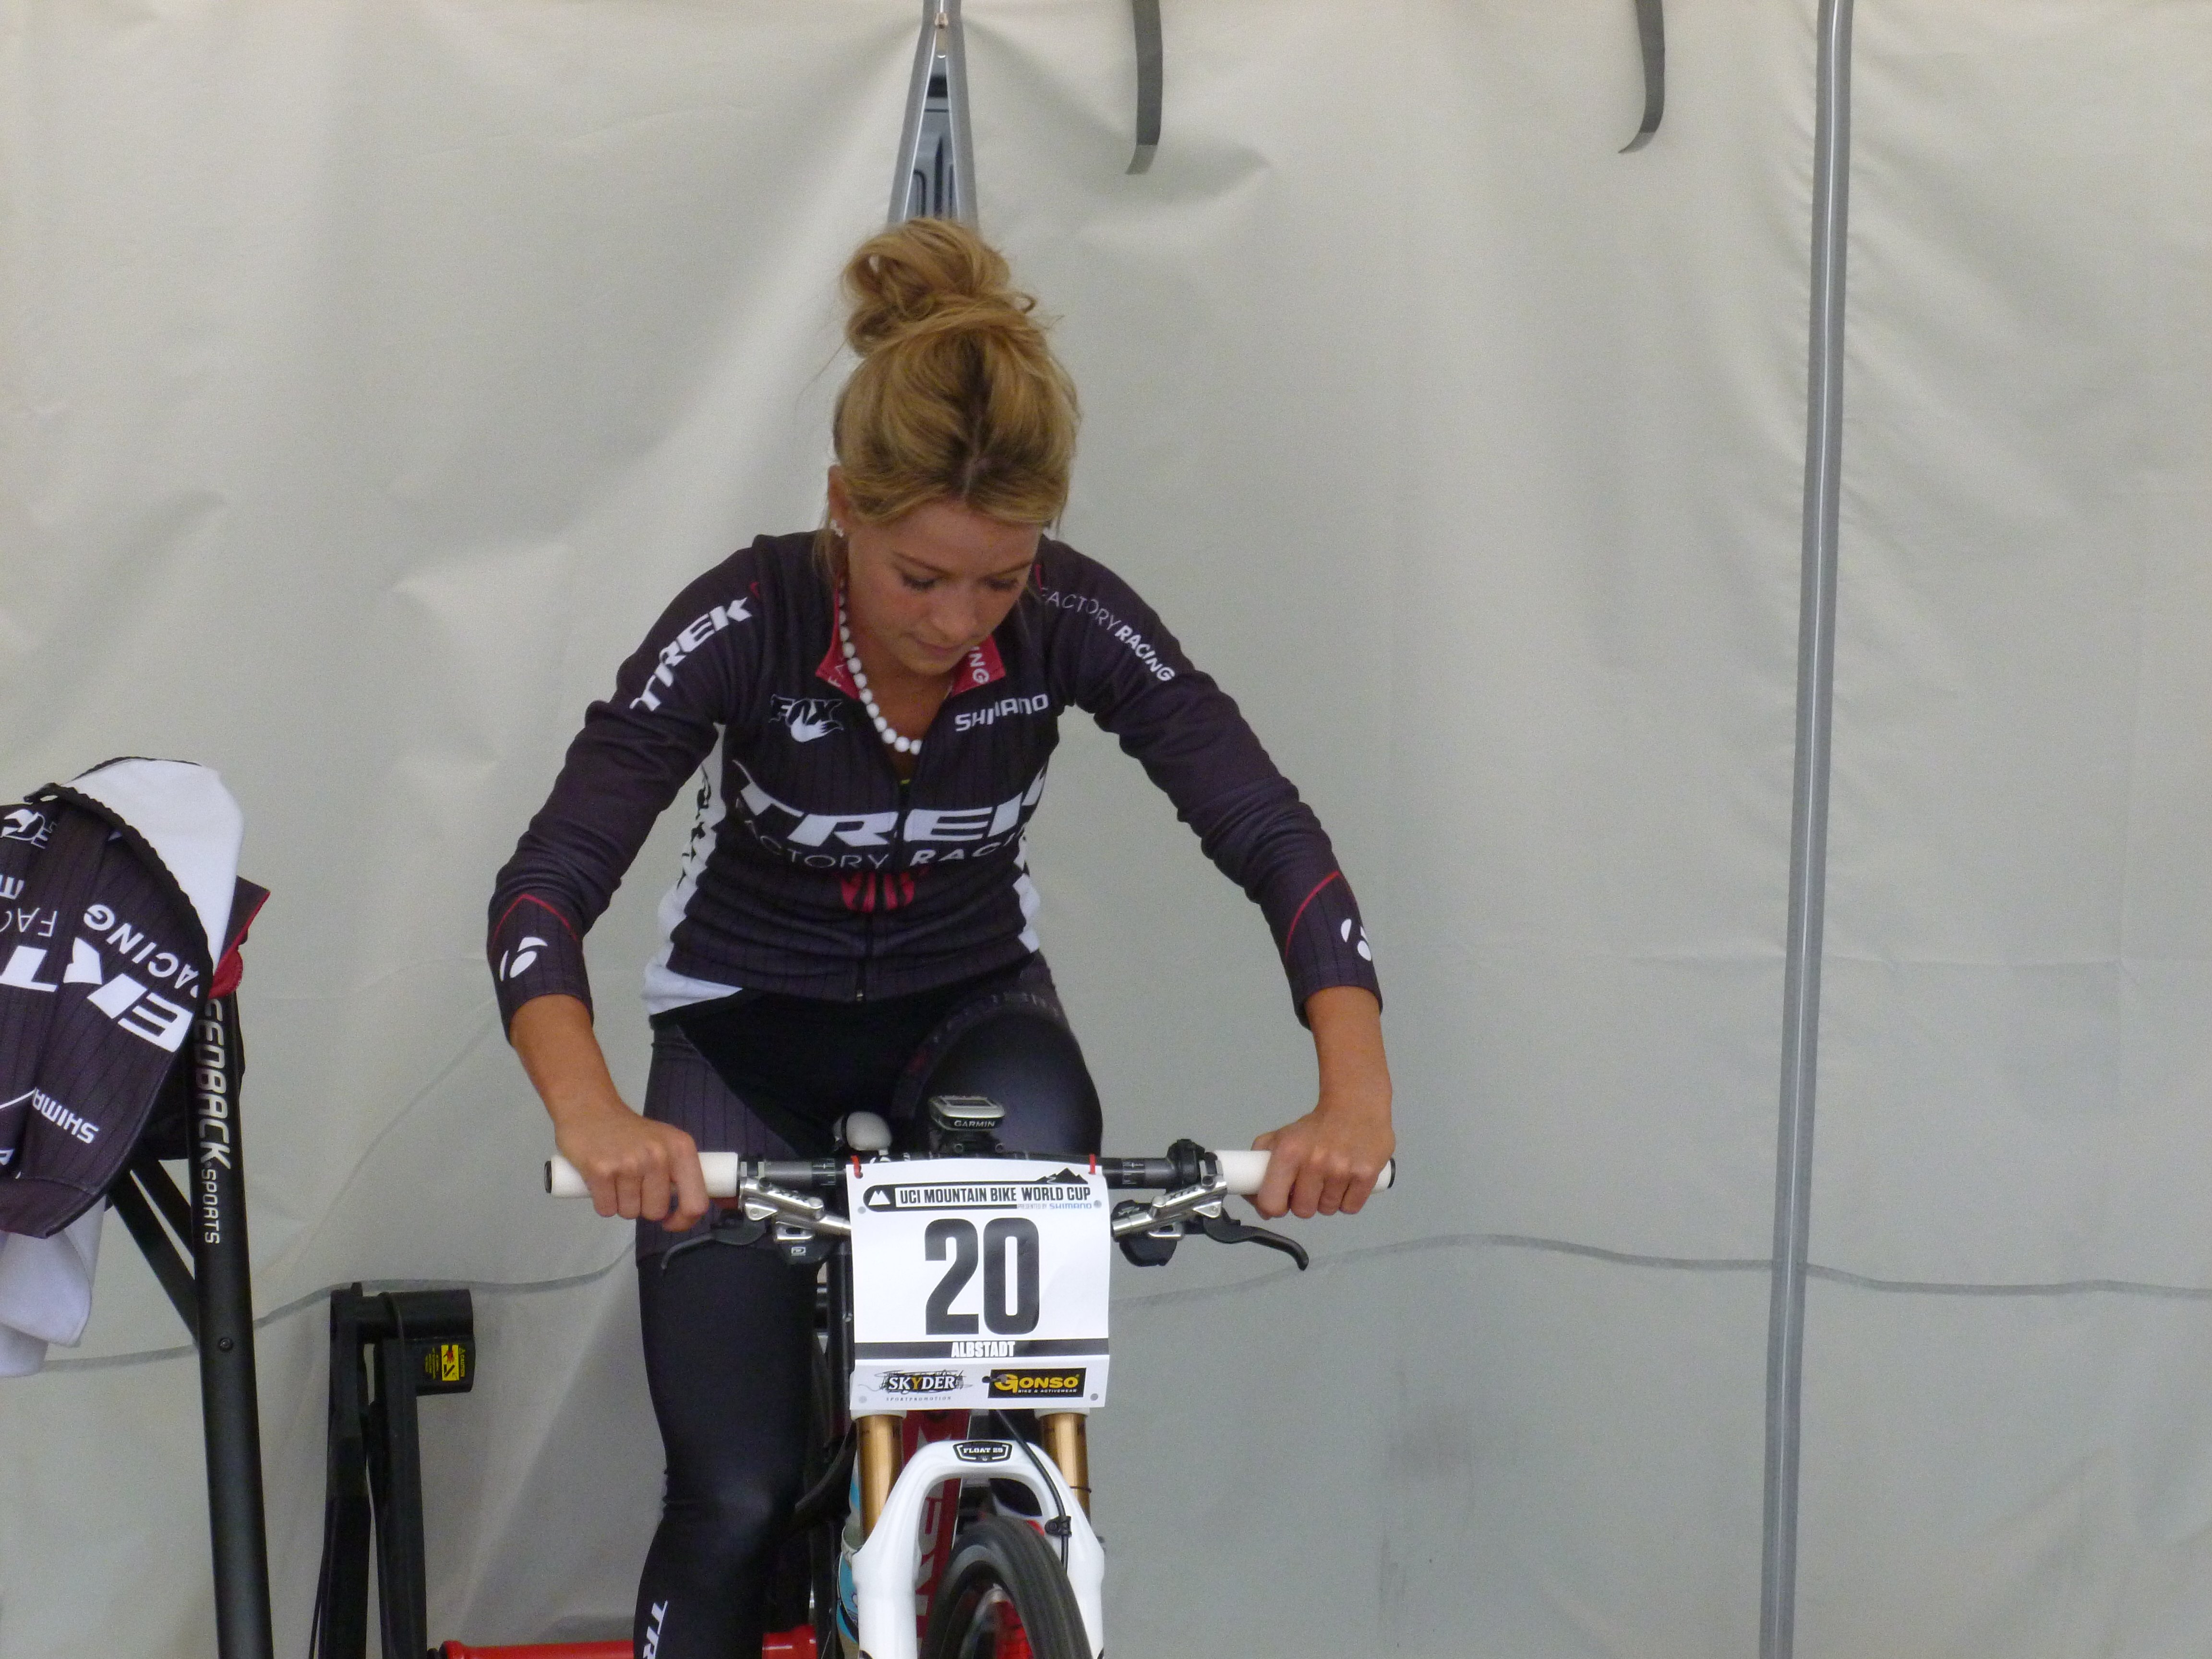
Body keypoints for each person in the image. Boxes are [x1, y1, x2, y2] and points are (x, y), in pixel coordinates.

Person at [487, 216, 1394, 1659]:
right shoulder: (747, 617)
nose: (961, 620)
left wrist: (1355, 1092)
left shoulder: (1073, 617)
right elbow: (544, 888)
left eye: (1001, 581)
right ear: (843, 504)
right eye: (920, 577)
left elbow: (1269, 831)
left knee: (1027, 1450)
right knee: (732, 1498)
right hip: (743, 1041)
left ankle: (993, 1559)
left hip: (972, 1020)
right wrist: (591, 1111)